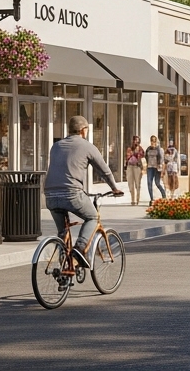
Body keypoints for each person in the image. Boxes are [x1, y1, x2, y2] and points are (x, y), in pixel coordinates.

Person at [45, 115, 122, 268]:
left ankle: (64, 266)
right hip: (72, 192)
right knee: (92, 217)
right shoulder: (87, 146)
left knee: (63, 232)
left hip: (50, 195)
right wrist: (114, 188)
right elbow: (104, 171)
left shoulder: (56, 146)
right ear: (83, 130)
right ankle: (79, 250)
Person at [124, 135, 145, 205]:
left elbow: (143, 159)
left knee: (137, 184)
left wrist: (143, 169)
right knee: (130, 184)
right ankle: (132, 199)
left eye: (137, 140)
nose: (136, 141)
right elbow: (126, 158)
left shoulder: (141, 149)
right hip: (130, 167)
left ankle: (137, 199)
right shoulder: (129, 149)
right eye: (135, 140)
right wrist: (125, 167)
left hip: (137, 167)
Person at [144, 135, 165, 201]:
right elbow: (146, 156)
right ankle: (152, 199)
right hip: (150, 167)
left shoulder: (159, 149)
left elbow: (161, 159)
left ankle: (164, 195)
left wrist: (161, 168)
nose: (153, 142)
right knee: (149, 183)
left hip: (156, 168)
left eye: (154, 140)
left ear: (156, 141)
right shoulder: (148, 149)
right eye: (152, 140)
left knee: (157, 183)